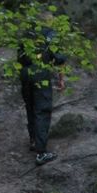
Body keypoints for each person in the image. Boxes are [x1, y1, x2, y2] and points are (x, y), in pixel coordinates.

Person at [18, 27, 67, 166]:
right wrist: (61, 80)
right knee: (42, 111)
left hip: (25, 75)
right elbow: (60, 59)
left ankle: (34, 140)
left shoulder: (27, 34)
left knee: (31, 107)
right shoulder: (50, 35)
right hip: (40, 75)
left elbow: (19, 58)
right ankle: (41, 153)